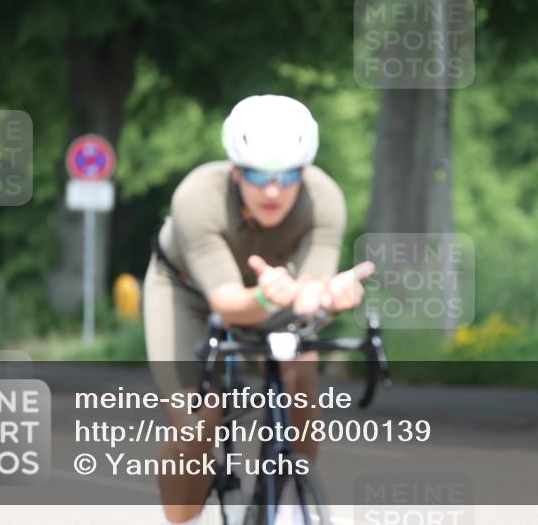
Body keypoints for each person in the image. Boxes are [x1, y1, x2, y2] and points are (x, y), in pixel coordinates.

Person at [143, 94, 375, 525]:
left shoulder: (325, 199)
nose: (273, 191)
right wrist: (271, 297)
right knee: (195, 427)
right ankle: (182, 515)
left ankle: (285, 499)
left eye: (288, 177)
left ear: (304, 172)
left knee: (300, 380)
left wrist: (328, 295)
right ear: (235, 170)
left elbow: (307, 298)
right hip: (189, 292)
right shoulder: (197, 196)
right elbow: (227, 302)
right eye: (257, 176)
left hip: (277, 293)